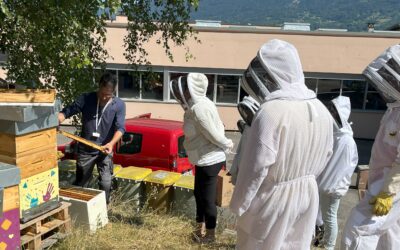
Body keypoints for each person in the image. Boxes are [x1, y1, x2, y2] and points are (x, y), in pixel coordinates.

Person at [229, 39, 333, 249]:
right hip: (308, 195)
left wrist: (238, 206)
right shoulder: (321, 108)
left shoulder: (271, 112)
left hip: (273, 200)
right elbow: (327, 155)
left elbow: (255, 168)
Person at [341, 44, 400, 250]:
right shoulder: (395, 108)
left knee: (359, 229)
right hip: (383, 181)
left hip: (390, 186)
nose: (388, 83)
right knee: (390, 235)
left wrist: (388, 192)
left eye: (391, 77)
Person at [169, 73, 234, 243]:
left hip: (211, 159)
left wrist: (228, 144)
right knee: (199, 194)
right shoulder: (195, 107)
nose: (182, 91)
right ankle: (199, 230)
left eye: (185, 88)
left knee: (207, 198)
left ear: (193, 88)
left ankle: (211, 235)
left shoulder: (200, 108)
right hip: (201, 159)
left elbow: (213, 134)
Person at [58, 72, 126, 204]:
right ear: (99, 87)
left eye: (108, 95)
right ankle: (77, 208)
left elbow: (121, 128)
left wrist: (111, 144)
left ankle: (103, 211)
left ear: (114, 92)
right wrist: (59, 118)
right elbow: (69, 110)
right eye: (102, 93)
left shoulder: (119, 105)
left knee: (106, 183)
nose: (105, 97)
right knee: (81, 182)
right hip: (86, 150)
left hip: (105, 150)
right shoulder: (86, 98)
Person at [314, 96, 358, 250]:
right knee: (323, 216)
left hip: (332, 188)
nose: (331, 113)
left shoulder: (346, 140)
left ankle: (329, 246)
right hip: (324, 184)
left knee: (330, 218)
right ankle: (320, 240)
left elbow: (345, 167)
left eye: (333, 110)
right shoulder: (336, 134)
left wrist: (333, 186)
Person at [229, 96, 260, 185]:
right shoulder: (247, 127)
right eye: (245, 110)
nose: (246, 112)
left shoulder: (259, 129)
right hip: (242, 163)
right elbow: (240, 149)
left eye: (248, 110)